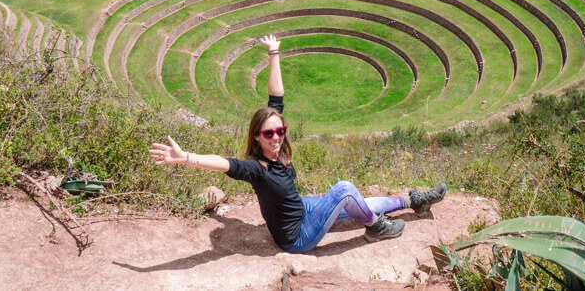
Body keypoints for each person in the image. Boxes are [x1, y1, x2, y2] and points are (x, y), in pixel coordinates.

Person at [149, 34, 446, 254]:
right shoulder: (255, 168)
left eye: (280, 131)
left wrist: (274, 53)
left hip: (302, 210)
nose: (276, 136)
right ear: (256, 137)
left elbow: (275, 100)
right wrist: (186, 157)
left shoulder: (276, 145)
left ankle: (413, 202)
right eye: (268, 134)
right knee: (344, 190)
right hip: (297, 237)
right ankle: (377, 228)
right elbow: (225, 164)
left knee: (359, 201)